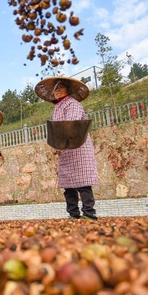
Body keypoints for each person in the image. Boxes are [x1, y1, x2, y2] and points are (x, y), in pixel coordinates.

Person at [35, 76, 99, 220]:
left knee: (83, 182)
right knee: (68, 184)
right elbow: (56, 129)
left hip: (78, 146)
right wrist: (57, 145)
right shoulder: (57, 107)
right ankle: (73, 213)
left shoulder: (73, 104)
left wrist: (62, 143)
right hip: (64, 149)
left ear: (67, 90)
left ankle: (89, 213)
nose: (57, 91)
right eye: (55, 89)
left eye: (60, 88)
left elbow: (71, 124)